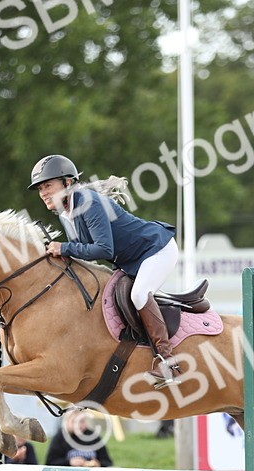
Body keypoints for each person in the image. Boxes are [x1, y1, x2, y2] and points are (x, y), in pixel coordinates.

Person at [28, 153, 181, 386]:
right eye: (40, 189)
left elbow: (103, 250)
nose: (44, 193)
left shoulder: (88, 203)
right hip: (131, 261)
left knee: (139, 294)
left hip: (156, 250)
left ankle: (169, 363)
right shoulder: (66, 213)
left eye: (48, 185)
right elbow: (81, 251)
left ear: (67, 183)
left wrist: (65, 247)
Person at [45, 408, 114, 468]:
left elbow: (107, 462)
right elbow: (50, 462)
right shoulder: (60, 438)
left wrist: (98, 464)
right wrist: (69, 462)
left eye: (82, 421)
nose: (79, 425)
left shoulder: (93, 437)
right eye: (74, 421)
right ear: (67, 422)